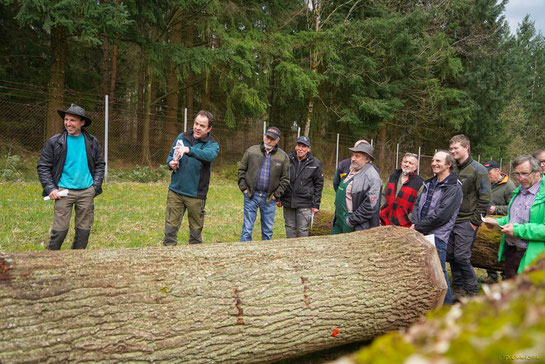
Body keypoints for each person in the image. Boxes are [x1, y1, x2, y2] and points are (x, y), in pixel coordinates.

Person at [37, 103, 105, 250]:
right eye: (66, 119)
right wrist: (50, 188)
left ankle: (76, 261)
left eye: (73, 120)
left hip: (87, 191)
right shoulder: (54, 142)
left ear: (82, 123)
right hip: (62, 192)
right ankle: (50, 260)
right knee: (59, 231)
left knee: (83, 231)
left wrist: (95, 187)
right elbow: (43, 166)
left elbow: (100, 165)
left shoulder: (92, 142)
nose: (68, 123)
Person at [411, 150, 463, 304]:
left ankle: (446, 308)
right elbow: (417, 204)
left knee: (438, 274)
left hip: (437, 236)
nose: (434, 163)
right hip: (420, 232)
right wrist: (415, 222)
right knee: (423, 272)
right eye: (433, 160)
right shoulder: (429, 183)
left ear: (449, 164)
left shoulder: (454, 186)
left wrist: (418, 226)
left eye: (439, 161)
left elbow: (443, 215)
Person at [163, 110, 219, 245]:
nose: (197, 128)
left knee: (195, 235)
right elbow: (170, 155)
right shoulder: (181, 137)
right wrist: (171, 163)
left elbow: (208, 156)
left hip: (196, 195)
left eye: (202, 126)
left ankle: (195, 263)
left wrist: (189, 150)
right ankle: (167, 260)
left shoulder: (212, 144)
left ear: (209, 128)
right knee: (170, 232)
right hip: (175, 192)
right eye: (196, 124)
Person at [484, 155, 545, 278]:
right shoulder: (519, 190)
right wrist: (498, 222)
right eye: (517, 174)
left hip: (533, 257)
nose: (520, 178)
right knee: (510, 293)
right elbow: (515, 218)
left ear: (538, 171)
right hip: (512, 252)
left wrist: (517, 230)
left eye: (524, 173)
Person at [448, 134, 491, 300]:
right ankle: (457, 287)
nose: (452, 151)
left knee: (462, 256)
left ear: (466, 148)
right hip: (451, 219)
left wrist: (475, 222)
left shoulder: (478, 170)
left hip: (467, 221)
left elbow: (485, 198)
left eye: (456, 148)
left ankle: (472, 290)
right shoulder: (452, 168)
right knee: (451, 256)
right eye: (451, 148)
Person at [238, 126, 290, 241]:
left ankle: (266, 256)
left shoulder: (283, 157)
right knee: (247, 229)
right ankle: (243, 253)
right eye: (267, 137)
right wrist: (244, 189)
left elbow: (285, 179)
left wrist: (276, 195)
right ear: (264, 136)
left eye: (272, 139)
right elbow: (241, 170)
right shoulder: (251, 151)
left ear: (277, 140)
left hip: (269, 198)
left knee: (267, 231)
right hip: (251, 195)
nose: (269, 140)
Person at [330, 142, 382, 234]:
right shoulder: (351, 169)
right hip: (338, 219)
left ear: (367, 159)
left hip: (352, 224)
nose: (353, 158)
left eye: (357, 156)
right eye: (353, 155)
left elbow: (370, 206)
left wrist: (351, 221)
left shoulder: (372, 177)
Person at [278, 136, 324, 238]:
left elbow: (319, 185)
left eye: (304, 146)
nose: (300, 149)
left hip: (305, 203)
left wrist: (316, 205)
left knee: (303, 228)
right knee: (289, 227)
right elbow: (281, 179)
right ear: (295, 147)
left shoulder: (315, 163)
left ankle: (303, 250)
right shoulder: (287, 159)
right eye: (299, 145)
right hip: (288, 200)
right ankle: (291, 249)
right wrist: (279, 197)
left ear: (308, 149)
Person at [479, 160, 516, 284]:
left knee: (502, 252)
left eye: (489, 173)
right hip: (487, 223)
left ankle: (506, 277)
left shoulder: (509, 186)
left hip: (502, 225)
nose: (487, 175)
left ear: (498, 171)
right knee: (488, 251)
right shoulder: (486, 183)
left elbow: (513, 207)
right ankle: (491, 276)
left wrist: (496, 209)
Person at [380, 152, 423, 227]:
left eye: (410, 163)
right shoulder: (393, 177)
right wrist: (382, 208)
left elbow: (418, 205)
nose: (406, 164)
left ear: (416, 167)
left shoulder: (420, 183)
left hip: (404, 225)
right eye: (405, 162)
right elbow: (384, 194)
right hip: (386, 221)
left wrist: (409, 218)